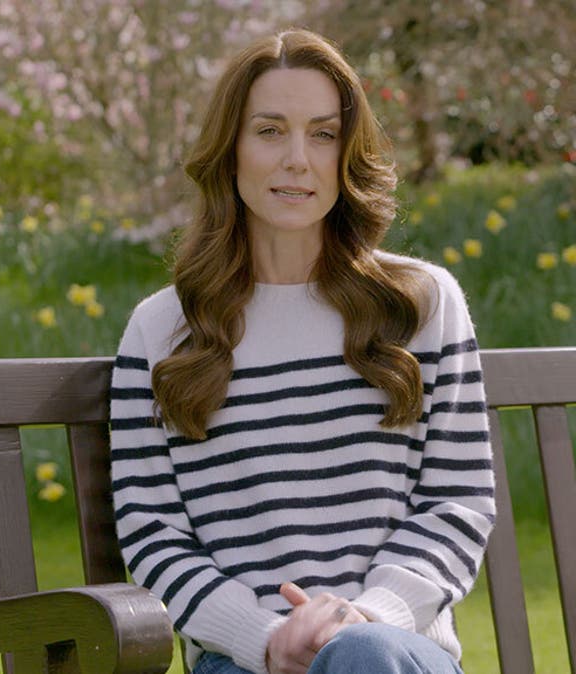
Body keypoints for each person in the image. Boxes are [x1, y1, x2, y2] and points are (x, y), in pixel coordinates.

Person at [110, 29, 494, 674]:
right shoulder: (164, 331)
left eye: (323, 134)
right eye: (270, 131)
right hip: (244, 659)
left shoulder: (421, 305)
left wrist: (367, 617)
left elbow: (457, 502)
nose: (298, 159)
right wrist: (266, 638)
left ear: (348, 153)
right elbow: (154, 533)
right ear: (230, 149)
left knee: (361, 656)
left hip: (396, 648)